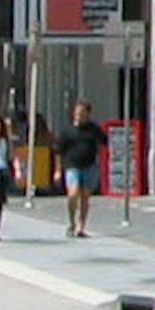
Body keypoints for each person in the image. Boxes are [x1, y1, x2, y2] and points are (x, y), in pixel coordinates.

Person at [57, 100, 107, 237]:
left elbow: (105, 141)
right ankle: (71, 222)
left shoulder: (93, 129)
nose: (79, 116)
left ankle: (81, 226)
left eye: (82, 113)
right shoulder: (67, 131)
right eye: (77, 113)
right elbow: (59, 151)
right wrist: (57, 169)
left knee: (85, 197)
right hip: (72, 166)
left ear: (88, 114)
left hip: (89, 166)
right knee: (73, 194)